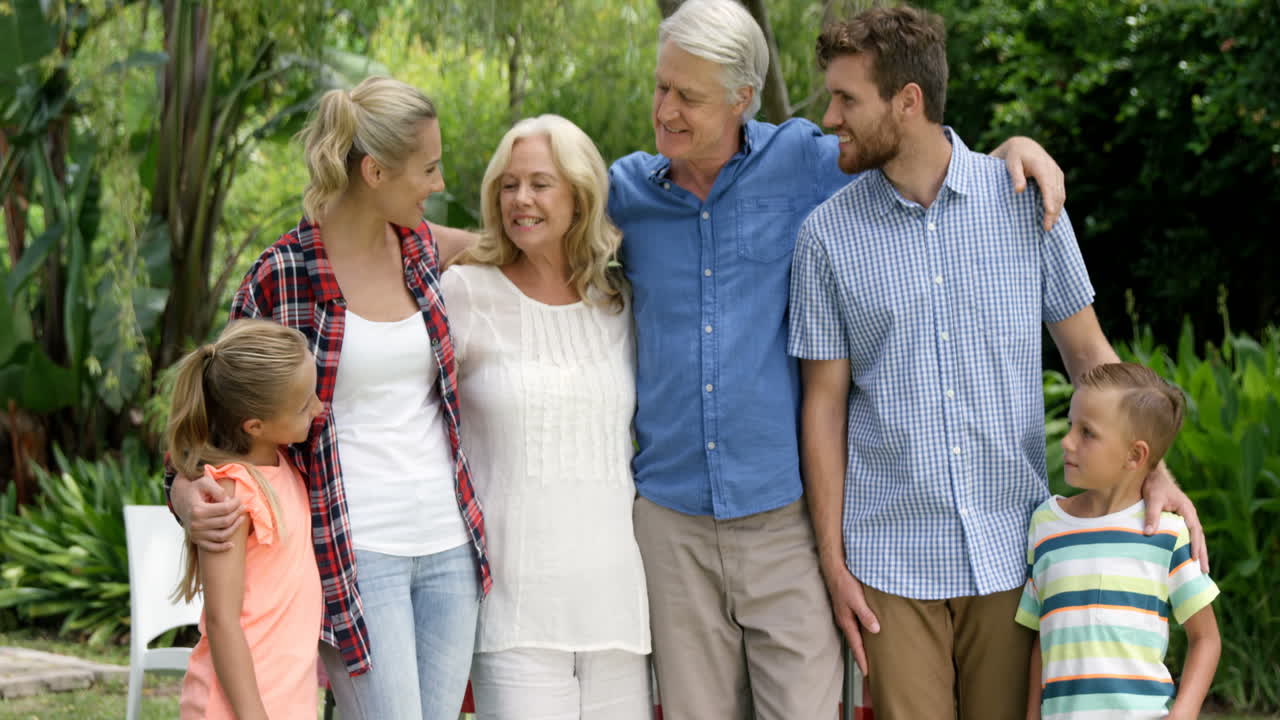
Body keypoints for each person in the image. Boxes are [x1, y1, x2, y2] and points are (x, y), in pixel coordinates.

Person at [602, 1, 1077, 717]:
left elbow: (915, 152)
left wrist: (1013, 149)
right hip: (672, 521)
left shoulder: (806, 166)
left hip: (783, 518)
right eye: (661, 86)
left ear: (740, 98)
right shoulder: (624, 192)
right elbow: (525, 226)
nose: (663, 109)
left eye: (687, 95)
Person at [788, 6, 1205, 720]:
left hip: (1016, 553)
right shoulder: (826, 238)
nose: (831, 117)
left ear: (908, 101)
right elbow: (822, 405)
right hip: (891, 563)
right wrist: (833, 561)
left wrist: (1155, 472)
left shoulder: (1025, 202)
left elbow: (1090, 359)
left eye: (847, 98)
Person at [166, 76, 490, 720]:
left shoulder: (422, 248)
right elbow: (218, 403)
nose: (438, 183)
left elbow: (516, 244)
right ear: (373, 171)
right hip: (354, 552)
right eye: (428, 168)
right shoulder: (282, 275)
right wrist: (181, 491)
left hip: (450, 546)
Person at [441, 114, 651, 719]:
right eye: (508, 185)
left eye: (539, 183)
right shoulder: (467, 293)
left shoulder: (618, 304)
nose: (520, 199)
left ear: (580, 196)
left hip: (616, 605)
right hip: (514, 608)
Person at [1016, 363, 1219, 720]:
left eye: (1087, 433)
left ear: (1135, 456)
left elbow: (1206, 638)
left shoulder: (1166, 535)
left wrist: (1183, 713)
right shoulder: (1046, 525)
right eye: (1070, 427)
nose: (1067, 441)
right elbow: (1041, 639)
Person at [169, 319, 324, 720]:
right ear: (255, 426)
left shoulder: (287, 471)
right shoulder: (233, 492)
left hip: (286, 697)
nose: (319, 407)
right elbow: (222, 620)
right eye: (305, 403)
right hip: (235, 705)